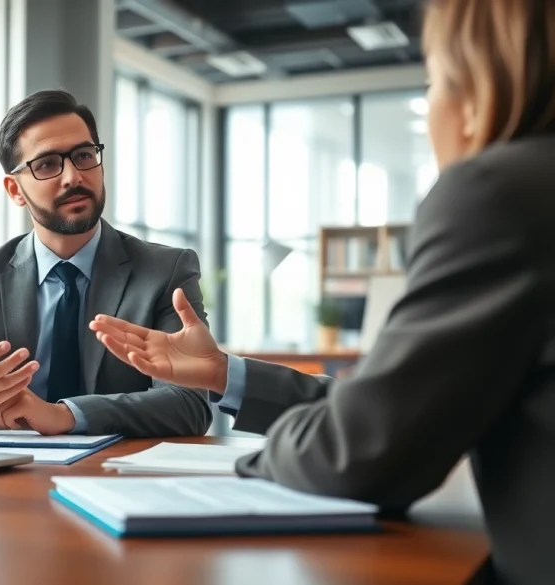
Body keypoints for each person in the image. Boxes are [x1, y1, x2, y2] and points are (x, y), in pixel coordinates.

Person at [89, 0, 555, 582]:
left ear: (480, 82)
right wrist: (223, 374)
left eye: (433, 79)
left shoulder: (503, 194)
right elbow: (387, 414)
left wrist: (250, 465)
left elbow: (367, 449)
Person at [0, 90, 213, 438]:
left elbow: (189, 404)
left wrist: (66, 415)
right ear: (15, 190)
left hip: (116, 477)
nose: (73, 177)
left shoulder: (165, 270)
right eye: (47, 164)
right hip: (6, 477)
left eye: (83, 155)